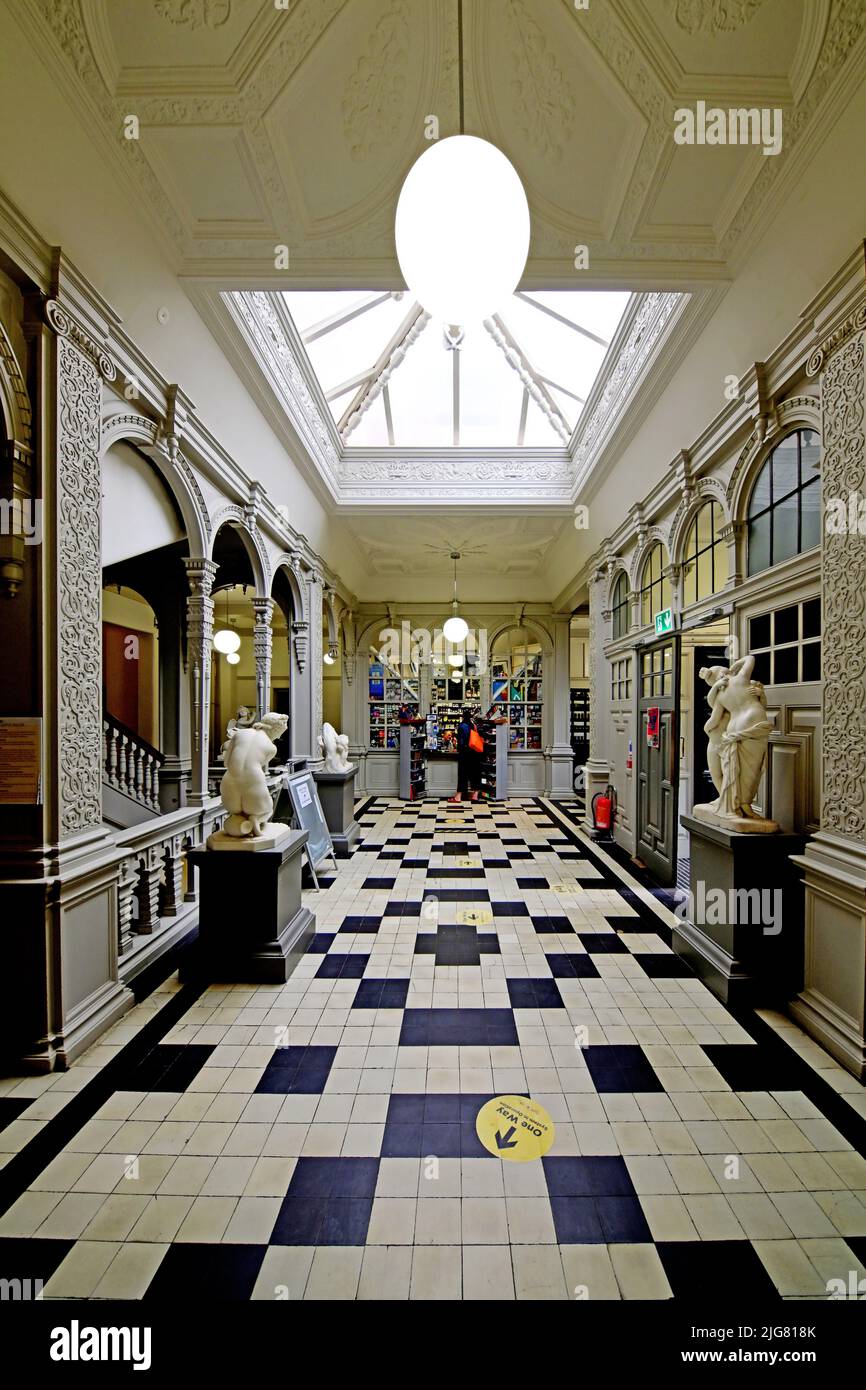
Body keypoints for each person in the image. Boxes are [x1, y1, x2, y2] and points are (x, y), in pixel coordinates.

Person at [449, 707, 482, 803]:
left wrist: (458, 748)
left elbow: (462, 741)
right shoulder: (474, 725)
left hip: (465, 753)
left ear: (463, 717)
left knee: (463, 775)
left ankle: (458, 797)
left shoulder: (462, 726)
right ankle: (475, 795)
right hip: (475, 752)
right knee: (474, 774)